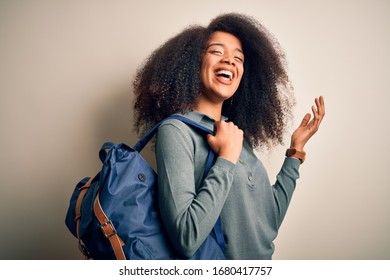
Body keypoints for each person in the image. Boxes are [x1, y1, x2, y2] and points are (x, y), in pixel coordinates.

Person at [132, 13, 325, 260]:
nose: (230, 61)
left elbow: (267, 223)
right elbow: (186, 238)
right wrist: (226, 159)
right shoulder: (177, 131)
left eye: (238, 58)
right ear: (193, 62)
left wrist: (295, 153)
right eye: (216, 51)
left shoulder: (236, 135)